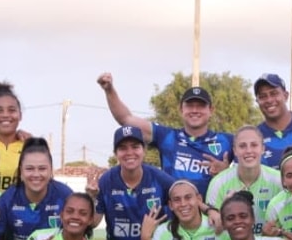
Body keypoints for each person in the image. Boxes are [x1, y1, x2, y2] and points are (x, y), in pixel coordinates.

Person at [97, 73, 233, 198]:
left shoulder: (227, 141)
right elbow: (126, 119)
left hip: (211, 219)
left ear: (211, 110)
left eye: (201, 106)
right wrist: (109, 90)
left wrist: (227, 172)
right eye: (190, 105)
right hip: (173, 218)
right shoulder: (167, 137)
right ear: (181, 109)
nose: (195, 110)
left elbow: (250, 171)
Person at [91, 126, 176, 240]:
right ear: (116, 153)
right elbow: (93, 222)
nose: (129, 152)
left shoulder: (159, 178)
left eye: (135, 147)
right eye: (123, 148)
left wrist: (209, 211)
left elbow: (183, 197)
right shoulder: (107, 179)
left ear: (144, 150)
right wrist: (91, 198)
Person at [204, 125, 284, 234]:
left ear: (263, 149)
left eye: (254, 145)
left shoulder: (279, 180)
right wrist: (225, 210)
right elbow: (214, 233)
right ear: (235, 150)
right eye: (242, 146)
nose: (248, 151)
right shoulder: (218, 183)